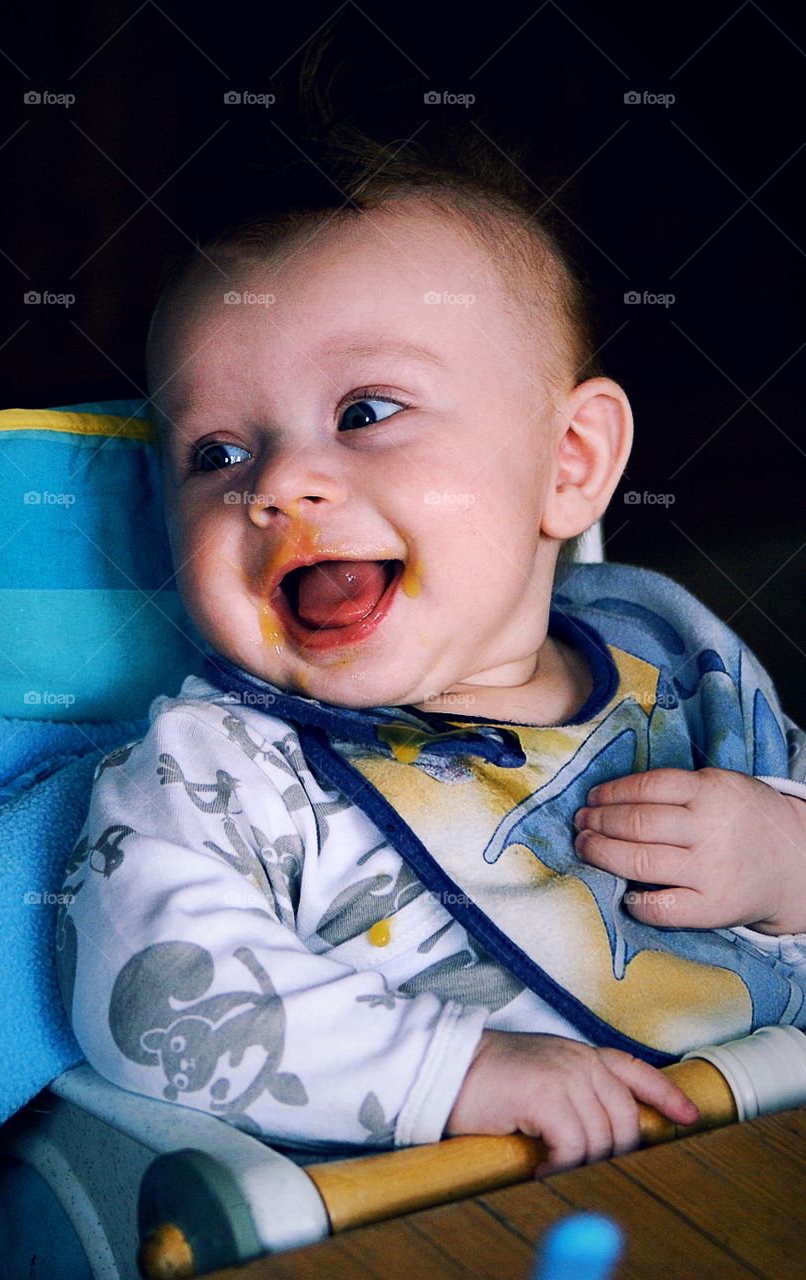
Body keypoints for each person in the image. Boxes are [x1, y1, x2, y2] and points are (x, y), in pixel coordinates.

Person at [56, 116, 806, 1179]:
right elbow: (151, 988)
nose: (273, 486)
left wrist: (785, 860)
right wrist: (452, 1068)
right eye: (215, 452)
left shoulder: (675, 668)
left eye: (363, 411)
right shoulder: (223, 771)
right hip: (432, 1218)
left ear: (570, 462)